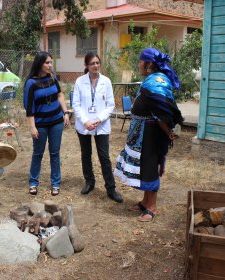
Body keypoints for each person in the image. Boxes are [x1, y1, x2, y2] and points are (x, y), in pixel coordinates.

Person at [114, 48, 183, 222]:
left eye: (140, 61)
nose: (138, 64)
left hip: (150, 134)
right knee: (144, 168)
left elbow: (161, 112)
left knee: (150, 168)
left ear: (149, 64)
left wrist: (168, 132)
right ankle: (145, 202)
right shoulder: (152, 80)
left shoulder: (155, 83)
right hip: (142, 133)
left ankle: (152, 207)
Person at [73, 51, 123, 203]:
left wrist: (99, 120)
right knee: (85, 154)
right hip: (84, 125)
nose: (95, 66)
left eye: (97, 63)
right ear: (86, 66)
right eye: (92, 63)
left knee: (104, 157)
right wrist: (86, 121)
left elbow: (111, 105)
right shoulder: (79, 81)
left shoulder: (106, 81)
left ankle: (111, 188)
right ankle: (89, 182)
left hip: (101, 125)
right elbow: (76, 104)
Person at [23, 51, 69, 196]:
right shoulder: (31, 83)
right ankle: (33, 182)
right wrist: (32, 127)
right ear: (39, 63)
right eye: (47, 62)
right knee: (38, 153)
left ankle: (55, 183)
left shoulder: (52, 77)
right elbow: (29, 108)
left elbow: (59, 94)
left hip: (56, 122)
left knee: (55, 153)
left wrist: (66, 112)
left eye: (51, 62)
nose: (50, 65)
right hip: (40, 125)